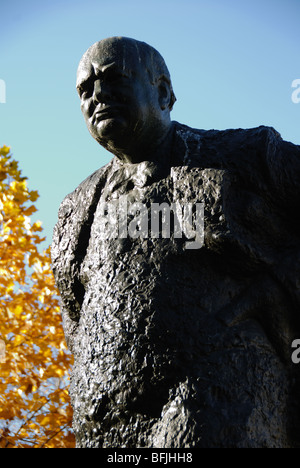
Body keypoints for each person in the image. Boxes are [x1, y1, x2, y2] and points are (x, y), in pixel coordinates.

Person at [52, 36, 300, 448]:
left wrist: (281, 284)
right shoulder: (76, 209)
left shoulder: (247, 156)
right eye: (86, 88)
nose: (98, 95)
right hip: (105, 426)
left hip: (219, 403)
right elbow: (75, 318)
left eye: (115, 79)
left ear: (163, 92)